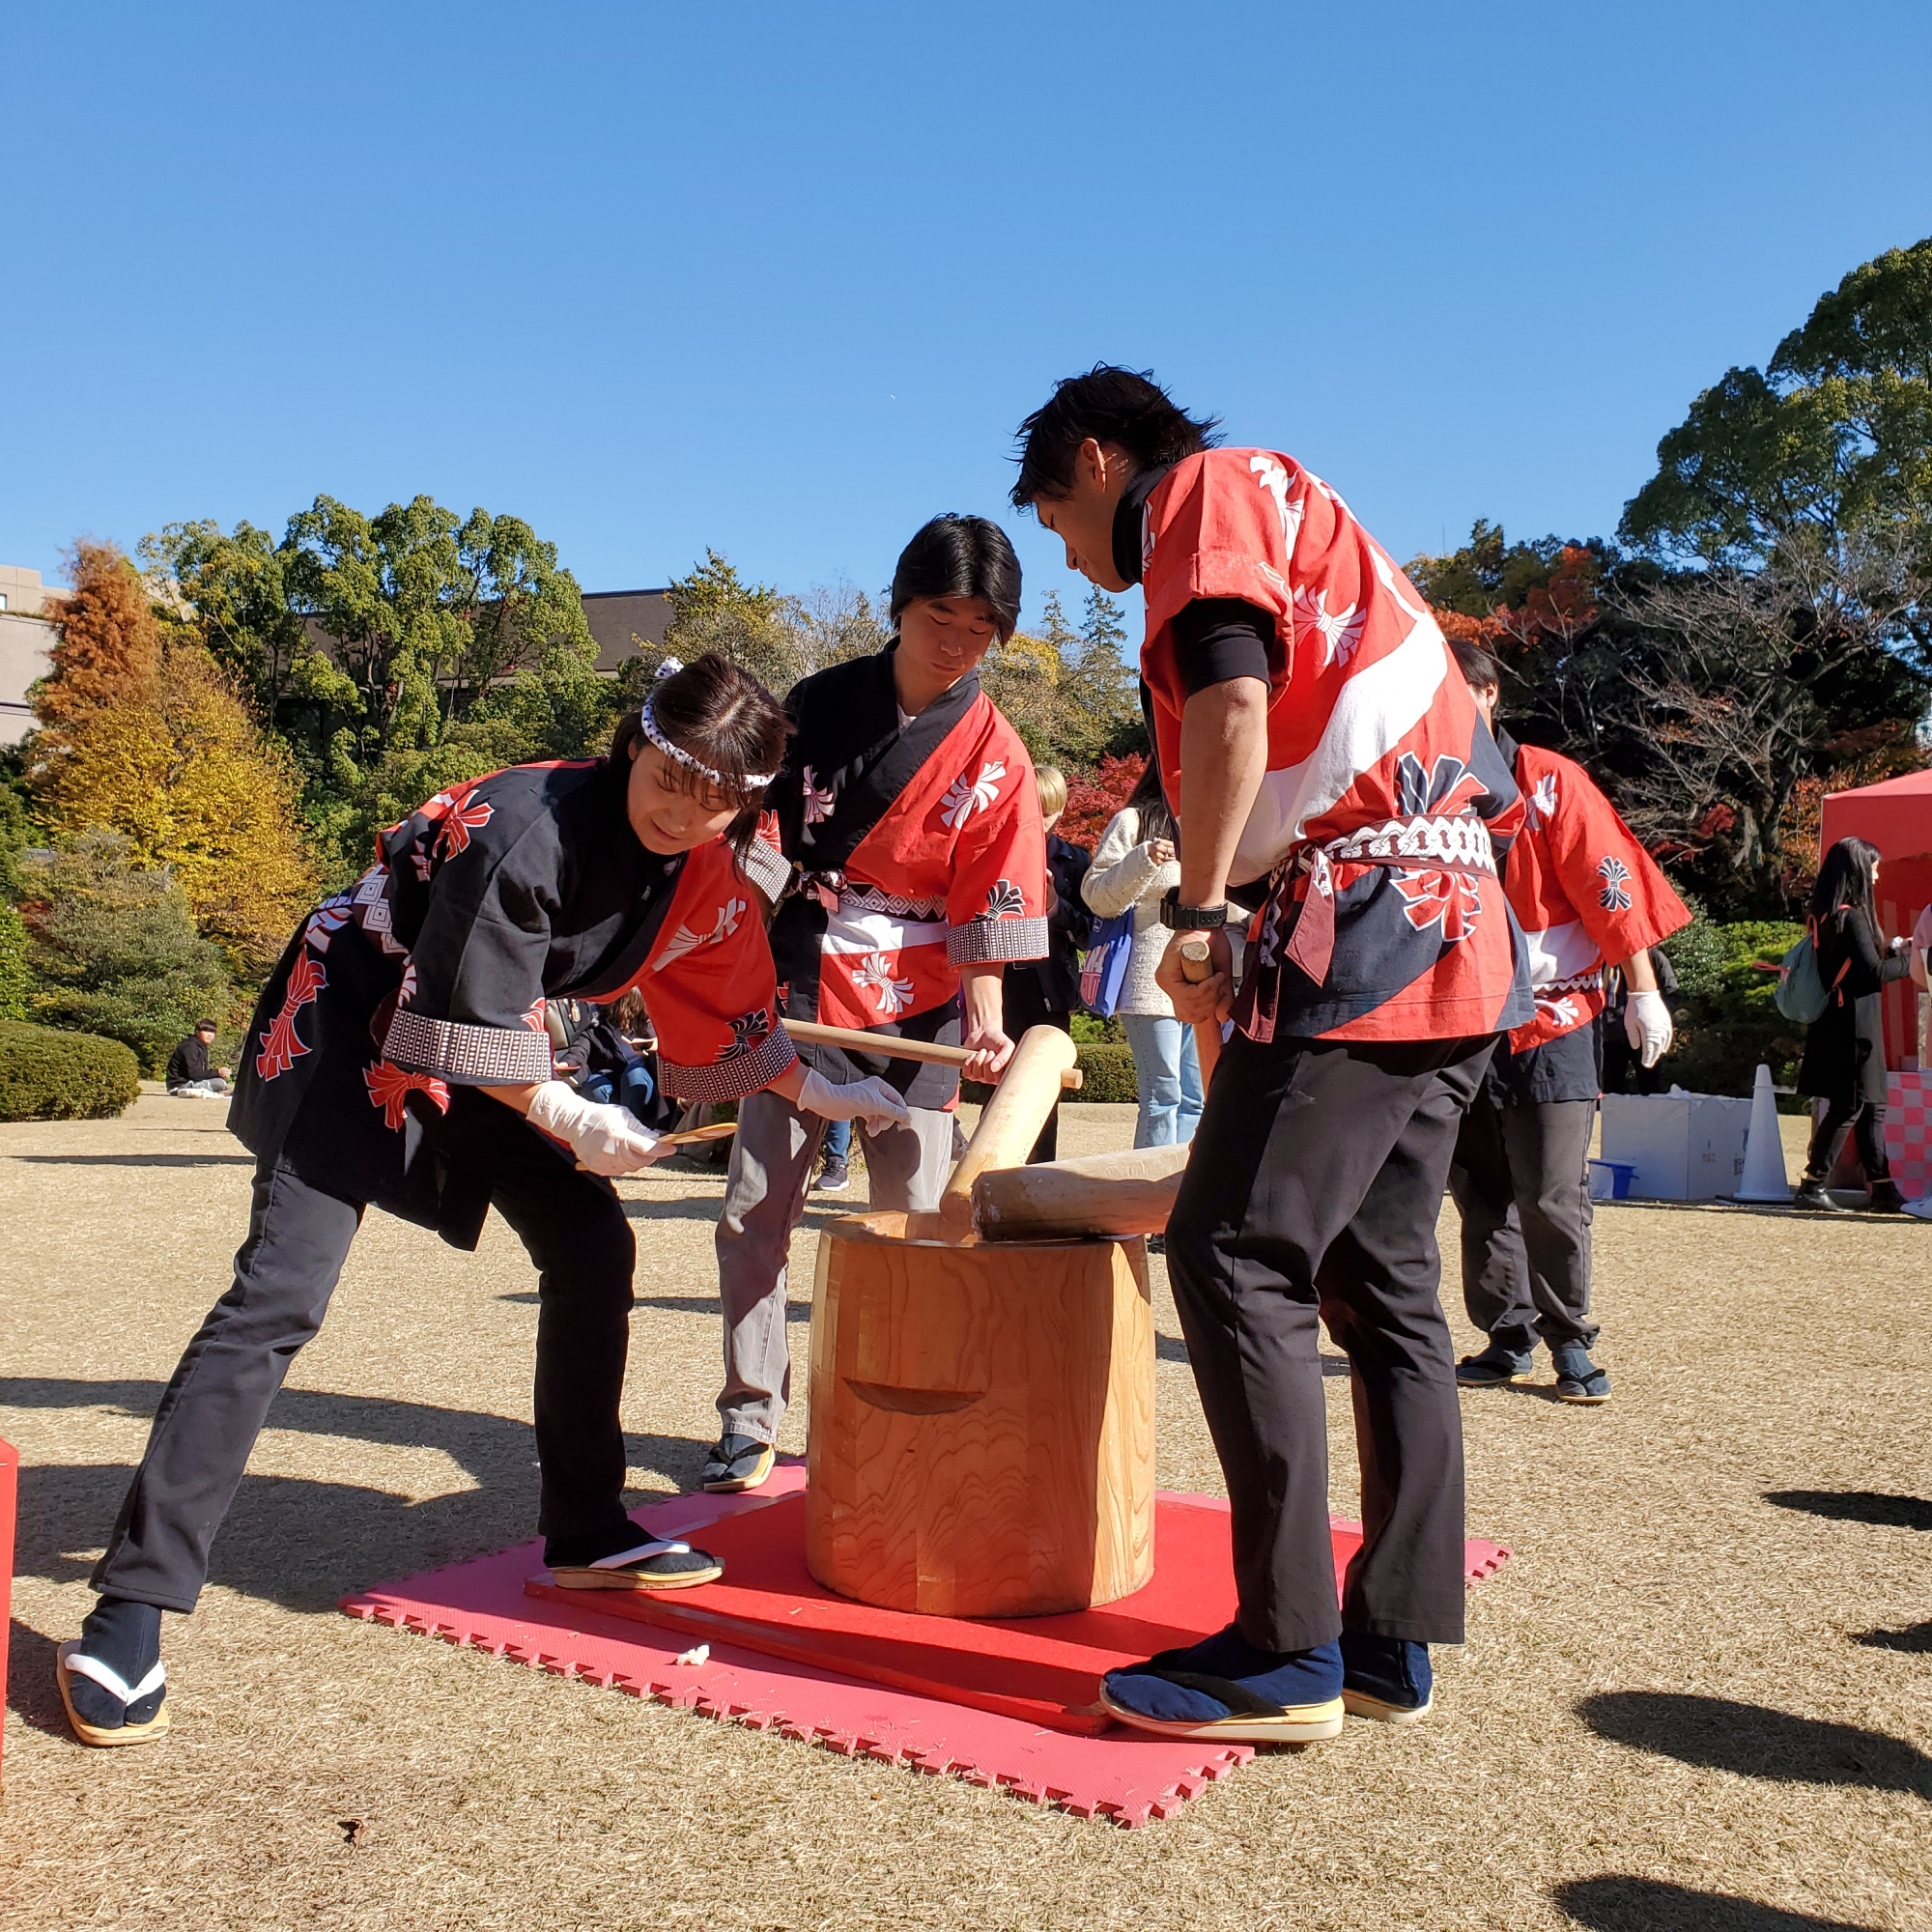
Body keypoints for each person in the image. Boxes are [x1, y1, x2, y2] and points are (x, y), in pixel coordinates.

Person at [56, 655, 908, 1750]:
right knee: (280, 1294)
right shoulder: (521, 821)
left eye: (719, 796)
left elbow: (725, 999)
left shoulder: (701, 863)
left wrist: (810, 1081)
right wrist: (568, 1116)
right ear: (634, 738)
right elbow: (447, 1020)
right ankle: (132, 1606)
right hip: (358, 1017)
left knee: (591, 1245)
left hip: (493, 1047)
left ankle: (588, 1524)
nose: (685, 808)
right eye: (673, 773)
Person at [1011, 365, 1531, 1743]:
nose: (1076, 555)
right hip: (1461, 918)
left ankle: (1284, 1647)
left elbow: (1233, 707)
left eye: (1062, 519)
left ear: (1103, 459)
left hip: (1363, 918)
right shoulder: (1313, 515)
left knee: (1233, 1250)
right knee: (1385, 1279)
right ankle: (1390, 1635)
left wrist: (1196, 911)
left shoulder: (1202, 495)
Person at [703, 515, 1048, 1495]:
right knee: (753, 1208)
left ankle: (876, 1414)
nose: (956, 642)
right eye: (941, 616)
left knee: (913, 1226)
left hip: (924, 1005)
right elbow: (755, 832)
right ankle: (747, 1413)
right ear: (900, 604)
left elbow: (992, 895)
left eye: (980, 629)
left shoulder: (995, 754)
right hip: (803, 972)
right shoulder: (814, 705)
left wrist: (984, 1016)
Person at [1443, 638, 1690, 1404]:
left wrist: (1643, 987)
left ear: (1489, 696)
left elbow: (1610, 883)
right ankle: (1505, 1331)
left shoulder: (1551, 780)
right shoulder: (1423, 783)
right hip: (1460, 1011)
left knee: (1550, 1189)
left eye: (1462, 691)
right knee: (1479, 1190)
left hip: (1555, 1010)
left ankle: (1571, 1338)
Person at [1080, 757, 1204, 1149]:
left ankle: (1178, 1193)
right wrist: (1144, 859)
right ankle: (1148, 1196)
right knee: (1163, 1094)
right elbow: (1097, 896)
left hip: (1203, 978)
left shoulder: (1213, 824)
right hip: (1150, 983)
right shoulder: (1133, 821)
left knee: (1196, 1099)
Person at [1794, 837, 1914, 1213]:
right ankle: (1813, 1184)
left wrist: (1895, 948)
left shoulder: (1827, 915)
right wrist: (1918, 961)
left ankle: (1882, 1186)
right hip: (1855, 1025)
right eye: (1874, 866)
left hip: (1843, 1020)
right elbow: (1873, 972)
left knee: (1871, 1104)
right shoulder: (1853, 916)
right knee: (1850, 1104)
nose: (1877, 875)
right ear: (1858, 870)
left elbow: (1861, 963)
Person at [1001, 763, 1092, 1162]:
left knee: (1044, 1089)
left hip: (1049, 985)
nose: (1042, 819)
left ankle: (1041, 1176)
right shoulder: (993, 852)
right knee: (997, 1084)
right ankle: (994, 1174)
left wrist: (1056, 907)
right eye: (1034, 807)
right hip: (998, 982)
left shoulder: (1074, 862)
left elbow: (1090, 933)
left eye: (1050, 809)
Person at [1601, 947, 1681, 1095]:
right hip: (1612, 1035)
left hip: (1644, 1034)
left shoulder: (1654, 957)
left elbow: (1672, 993)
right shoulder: (1605, 959)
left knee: (1650, 1088)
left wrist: (1656, 1016)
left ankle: (1652, 1118)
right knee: (1611, 1090)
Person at [165, 1020, 231, 1097]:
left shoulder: (202, 1046)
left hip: (193, 1082)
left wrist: (219, 1074)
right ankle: (187, 1091)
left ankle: (216, 1092)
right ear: (197, 1032)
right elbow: (193, 1073)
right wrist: (217, 1072)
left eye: (212, 1032)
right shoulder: (189, 1046)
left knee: (220, 1081)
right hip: (180, 1085)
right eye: (206, 1031)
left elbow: (201, 1073)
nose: (209, 1035)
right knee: (220, 1083)